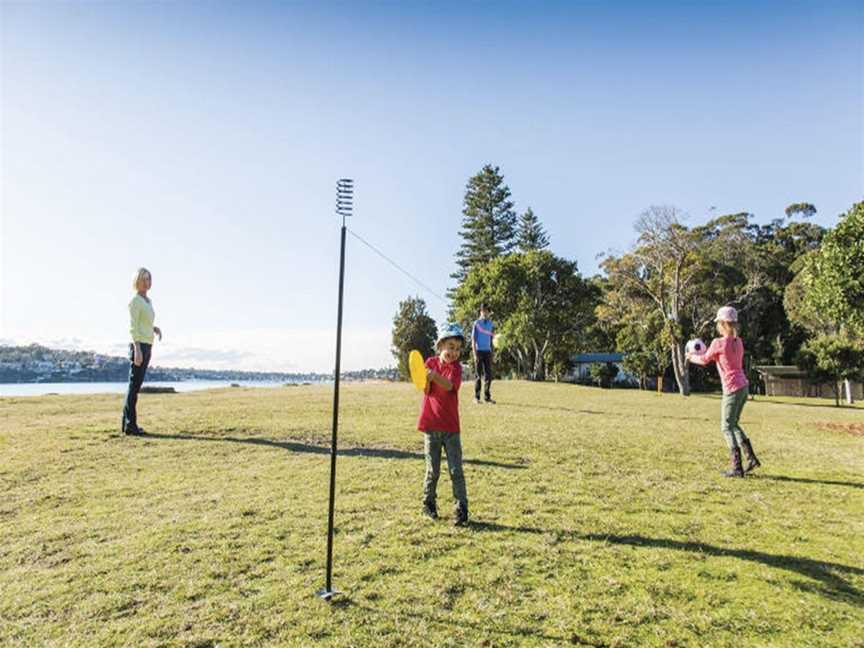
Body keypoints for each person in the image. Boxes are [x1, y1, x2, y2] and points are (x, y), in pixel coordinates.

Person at [687, 306, 761, 478]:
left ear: (722, 324)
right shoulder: (738, 342)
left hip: (732, 388)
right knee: (734, 423)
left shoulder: (718, 343)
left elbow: (705, 359)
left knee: (726, 427)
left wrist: (691, 357)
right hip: (743, 386)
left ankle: (737, 467)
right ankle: (751, 458)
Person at [417, 323, 469, 526]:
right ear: (440, 346)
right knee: (433, 470)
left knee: (456, 470)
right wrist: (427, 378)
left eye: (457, 348)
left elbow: (449, 386)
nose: (454, 352)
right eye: (450, 346)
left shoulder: (456, 369)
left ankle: (461, 509)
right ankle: (428, 504)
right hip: (431, 427)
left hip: (451, 429)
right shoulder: (430, 362)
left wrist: (434, 376)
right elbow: (425, 389)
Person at [122, 267, 162, 436]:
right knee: (134, 387)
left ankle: (128, 425)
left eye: (149, 279)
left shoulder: (147, 301)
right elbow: (133, 327)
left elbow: (143, 323)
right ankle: (130, 425)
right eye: (144, 279)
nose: (147, 282)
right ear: (137, 281)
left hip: (148, 344)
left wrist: (153, 328)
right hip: (139, 346)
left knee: (136, 387)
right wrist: (137, 349)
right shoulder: (135, 301)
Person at [471, 304, 495, 404]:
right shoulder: (476, 323)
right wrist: (475, 354)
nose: (485, 313)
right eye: (483, 311)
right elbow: (473, 339)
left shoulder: (491, 324)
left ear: (489, 313)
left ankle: (487, 397)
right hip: (479, 351)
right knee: (478, 375)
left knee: (488, 375)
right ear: (480, 312)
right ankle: (476, 398)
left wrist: (492, 352)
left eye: (487, 311)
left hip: (488, 352)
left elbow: (492, 339)